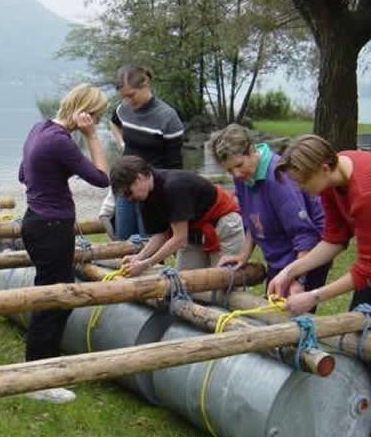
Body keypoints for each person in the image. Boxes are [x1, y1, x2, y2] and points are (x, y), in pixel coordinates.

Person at [18, 83, 111, 403]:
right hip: (52, 226)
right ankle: (41, 379)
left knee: (49, 294)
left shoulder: (39, 129)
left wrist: (54, 175)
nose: (97, 122)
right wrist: (92, 138)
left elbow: (22, 174)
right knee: (57, 298)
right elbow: (102, 177)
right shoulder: (61, 141)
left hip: (33, 221)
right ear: (85, 112)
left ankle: (38, 368)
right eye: (96, 116)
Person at [209, 124, 329, 295]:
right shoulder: (244, 177)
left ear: (251, 150)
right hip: (280, 259)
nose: (236, 174)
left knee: (288, 316)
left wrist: (297, 280)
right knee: (270, 312)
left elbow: (305, 235)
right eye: (229, 170)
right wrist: (244, 255)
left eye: (239, 165)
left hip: (305, 259)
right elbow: (253, 219)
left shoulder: (279, 179)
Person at [268, 134, 371, 314]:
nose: (300, 188)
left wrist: (314, 296)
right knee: (358, 324)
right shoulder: (334, 175)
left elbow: (367, 271)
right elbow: (335, 238)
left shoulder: (365, 194)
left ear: (323, 169)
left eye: (302, 181)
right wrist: (289, 271)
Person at [110, 155, 244, 276]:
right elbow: (161, 235)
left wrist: (146, 264)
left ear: (139, 178)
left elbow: (180, 238)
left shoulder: (173, 186)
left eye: (128, 192)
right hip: (194, 231)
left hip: (222, 225)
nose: (129, 199)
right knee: (182, 283)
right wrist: (138, 258)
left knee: (221, 282)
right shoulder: (144, 197)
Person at [110, 65, 184, 241]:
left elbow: (175, 166)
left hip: (151, 190)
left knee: (149, 241)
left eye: (131, 95)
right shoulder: (123, 109)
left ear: (145, 85)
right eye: (124, 97)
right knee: (123, 240)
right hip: (125, 187)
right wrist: (121, 143)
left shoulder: (168, 117)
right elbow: (113, 121)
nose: (128, 101)